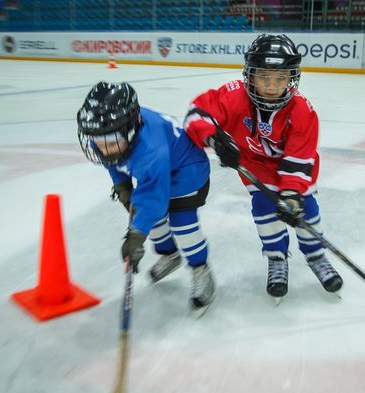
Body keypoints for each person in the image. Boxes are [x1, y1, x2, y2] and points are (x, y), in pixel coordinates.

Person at [183, 33, 343, 301]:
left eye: (280, 78)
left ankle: (316, 255)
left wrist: (291, 194)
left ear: (292, 78)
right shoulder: (233, 95)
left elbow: (300, 156)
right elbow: (196, 113)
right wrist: (213, 138)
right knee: (264, 209)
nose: (271, 85)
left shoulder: (302, 110)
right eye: (264, 77)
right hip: (255, 166)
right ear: (250, 75)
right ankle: (277, 259)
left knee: (306, 208)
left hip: (294, 170)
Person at [77, 81, 215, 312]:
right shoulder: (108, 131)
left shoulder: (150, 149)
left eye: (110, 142)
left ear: (130, 129)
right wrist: (122, 186)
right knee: (150, 219)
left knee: (181, 223)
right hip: (158, 171)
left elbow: (153, 197)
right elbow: (111, 160)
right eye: (98, 141)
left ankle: (201, 268)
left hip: (188, 170)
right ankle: (170, 255)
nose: (104, 148)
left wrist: (135, 236)